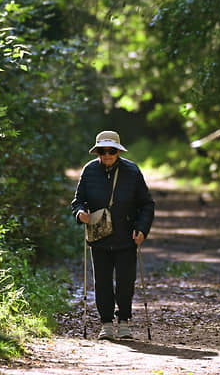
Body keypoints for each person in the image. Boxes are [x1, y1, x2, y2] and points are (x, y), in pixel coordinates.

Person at [72, 130, 155, 340]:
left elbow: (146, 204)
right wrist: (80, 213)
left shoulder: (132, 171)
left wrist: (142, 230)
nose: (107, 155)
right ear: (97, 151)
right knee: (102, 282)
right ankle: (106, 324)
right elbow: (78, 201)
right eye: (103, 151)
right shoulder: (89, 171)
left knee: (126, 281)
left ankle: (124, 321)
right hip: (99, 236)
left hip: (127, 236)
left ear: (118, 151)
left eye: (111, 151)